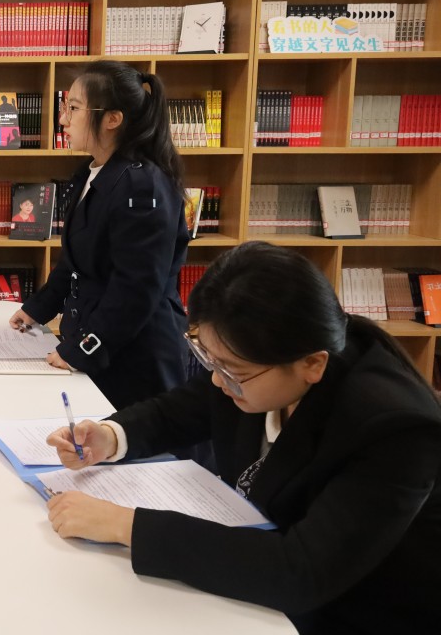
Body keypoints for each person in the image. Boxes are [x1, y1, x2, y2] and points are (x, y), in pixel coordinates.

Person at [44, 242, 441, 633]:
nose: (218, 382)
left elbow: (300, 572)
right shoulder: (258, 360)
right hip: (260, 579)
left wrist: (125, 526)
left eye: (232, 371)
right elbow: (181, 410)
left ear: (312, 364)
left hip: (353, 611)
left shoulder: (395, 430)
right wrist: (111, 436)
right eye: (208, 359)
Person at [9, 61, 190, 410]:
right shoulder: (92, 172)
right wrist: (37, 309)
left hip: (134, 357)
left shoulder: (142, 185)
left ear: (112, 119)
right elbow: (76, 261)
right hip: (97, 339)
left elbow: (136, 287)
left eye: (74, 109)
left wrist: (83, 350)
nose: (63, 119)